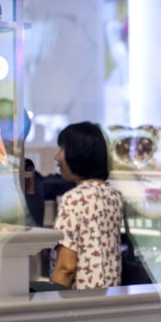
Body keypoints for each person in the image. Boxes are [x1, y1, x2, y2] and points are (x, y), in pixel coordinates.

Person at [50, 122, 123, 289]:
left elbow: (66, 267)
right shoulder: (113, 195)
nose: (57, 157)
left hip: (80, 304)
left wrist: (51, 303)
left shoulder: (74, 198)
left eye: (62, 149)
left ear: (79, 154)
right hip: (110, 298)